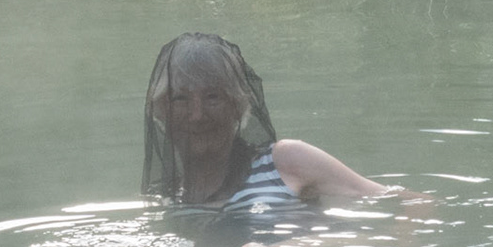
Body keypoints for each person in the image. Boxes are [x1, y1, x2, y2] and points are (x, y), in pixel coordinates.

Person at [142, 33, 394, 213]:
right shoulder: (169, 197)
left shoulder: (286, 161)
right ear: (162, 111)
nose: (197, 115)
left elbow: (407, 203)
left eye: (213, 97)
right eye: (180, 99)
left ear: (238, 106)